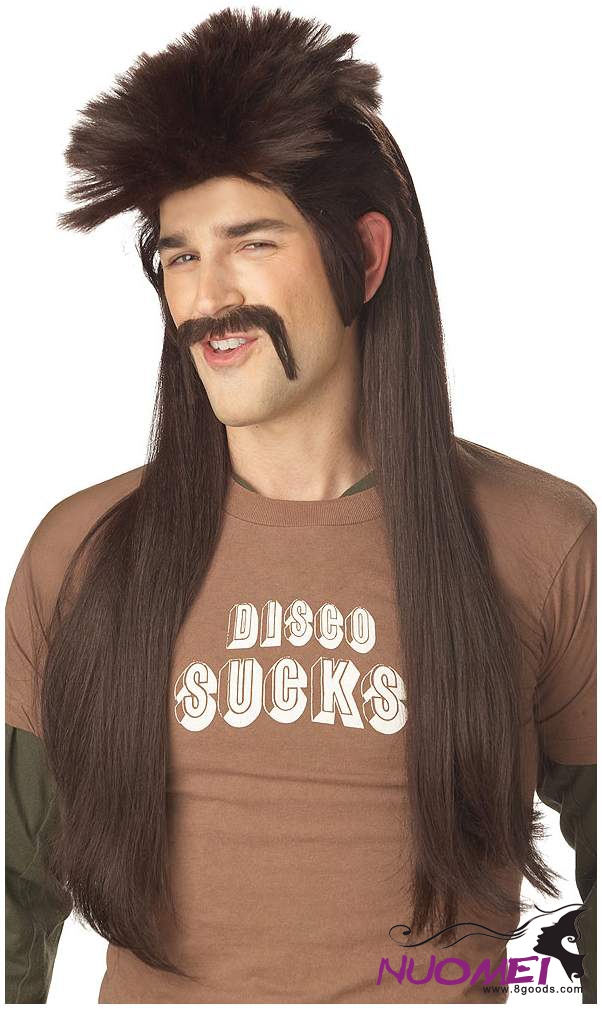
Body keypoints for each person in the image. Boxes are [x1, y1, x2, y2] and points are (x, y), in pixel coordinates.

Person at [5, 7, 596, 1004]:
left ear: (363, 256)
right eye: (180, 255)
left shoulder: (540, 541)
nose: (205, 298)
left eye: (249, 242)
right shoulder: (82, 553)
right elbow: (13, 894)